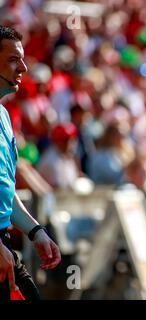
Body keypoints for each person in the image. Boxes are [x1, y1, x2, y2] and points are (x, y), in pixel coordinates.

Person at [0, 26, 61, 300]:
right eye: (13, 59)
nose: (23, 67)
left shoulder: (3, 114)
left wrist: (35, 230)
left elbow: (4, 189)